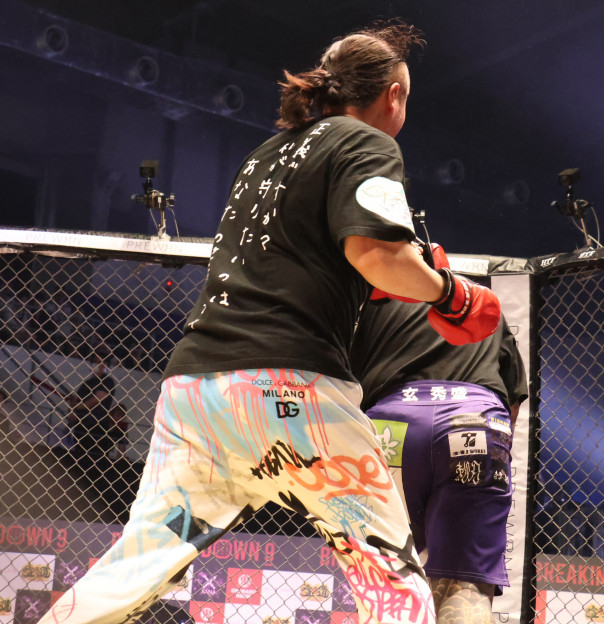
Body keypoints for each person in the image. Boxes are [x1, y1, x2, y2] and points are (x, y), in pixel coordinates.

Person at [39, 21, 501, 624]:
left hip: (195, 392)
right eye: (406, 97)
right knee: (389, 576)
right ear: (392, 95)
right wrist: (450, 293)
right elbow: (376, 255)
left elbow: (319, 264)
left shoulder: (263, 156)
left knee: (135, 565)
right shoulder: (367, 143)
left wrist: (397, 274)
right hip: (290, 390)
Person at [350, 286, 528, 624]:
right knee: (466, 585)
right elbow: (513, 404)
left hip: (392, 424)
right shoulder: (481, 301)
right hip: (474, 421)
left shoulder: (376, 299)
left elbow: (346, 385)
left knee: (388, 582)